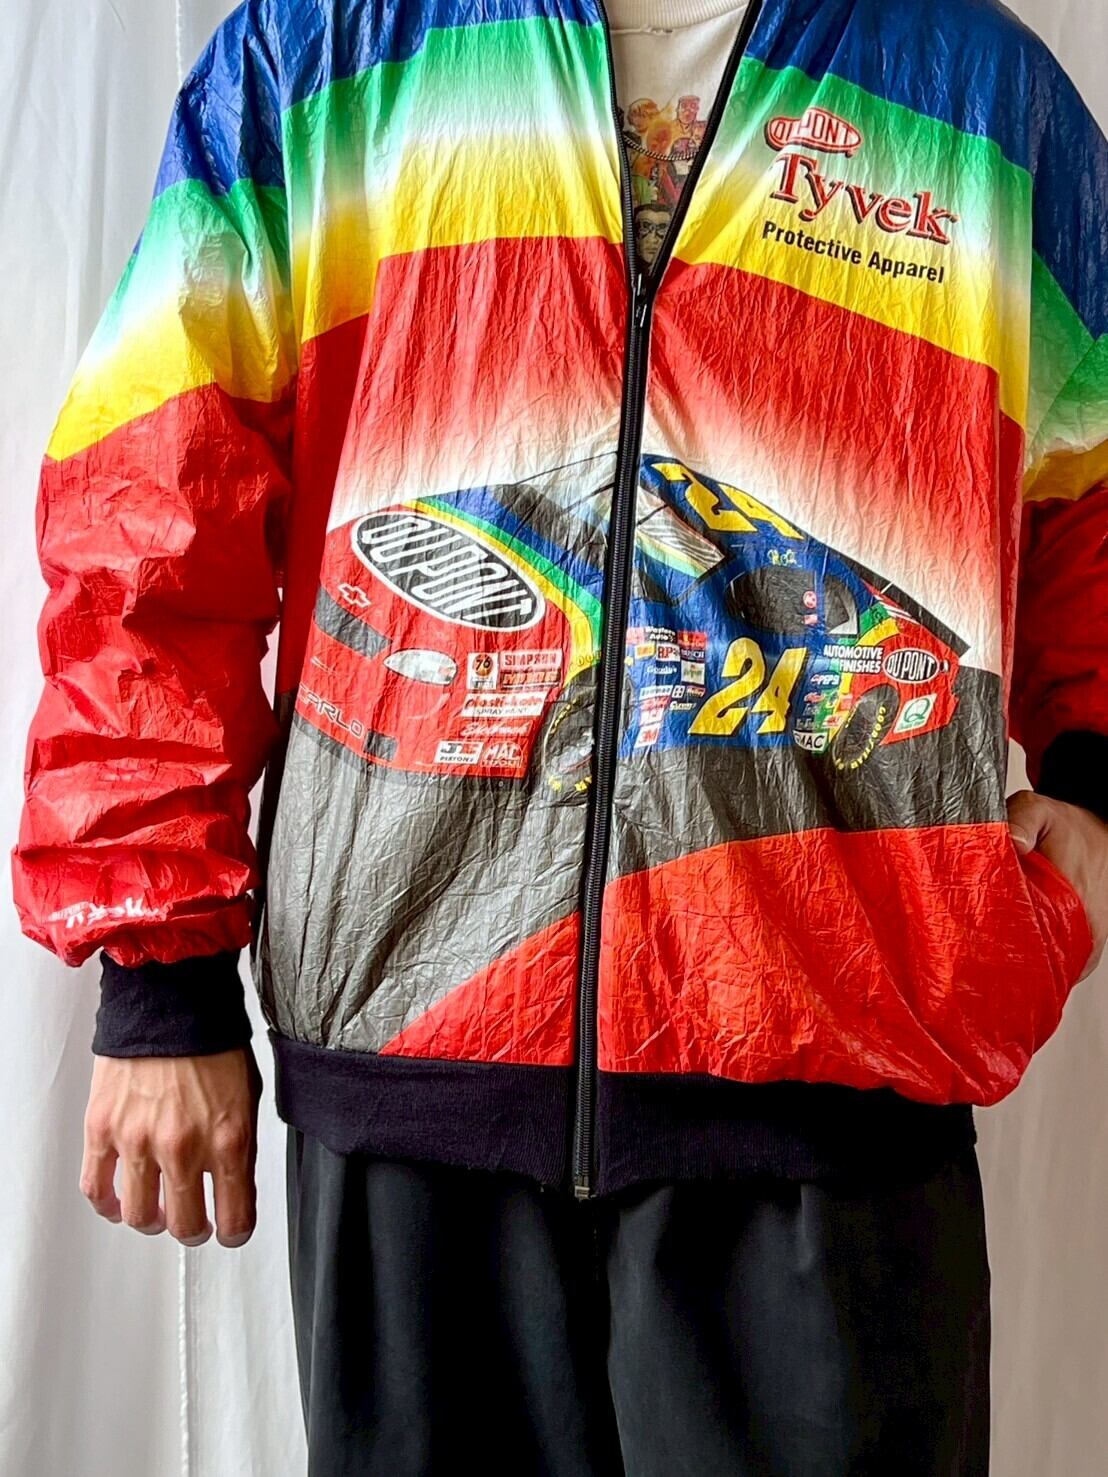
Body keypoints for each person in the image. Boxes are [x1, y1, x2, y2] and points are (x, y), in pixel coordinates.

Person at [12, 0, 1108, 1471]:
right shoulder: (324, 55)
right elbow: (154, 509)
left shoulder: (981, 102)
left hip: (835, 1087)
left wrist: (1099, 784)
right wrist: (161, 974)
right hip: (414, 1065)